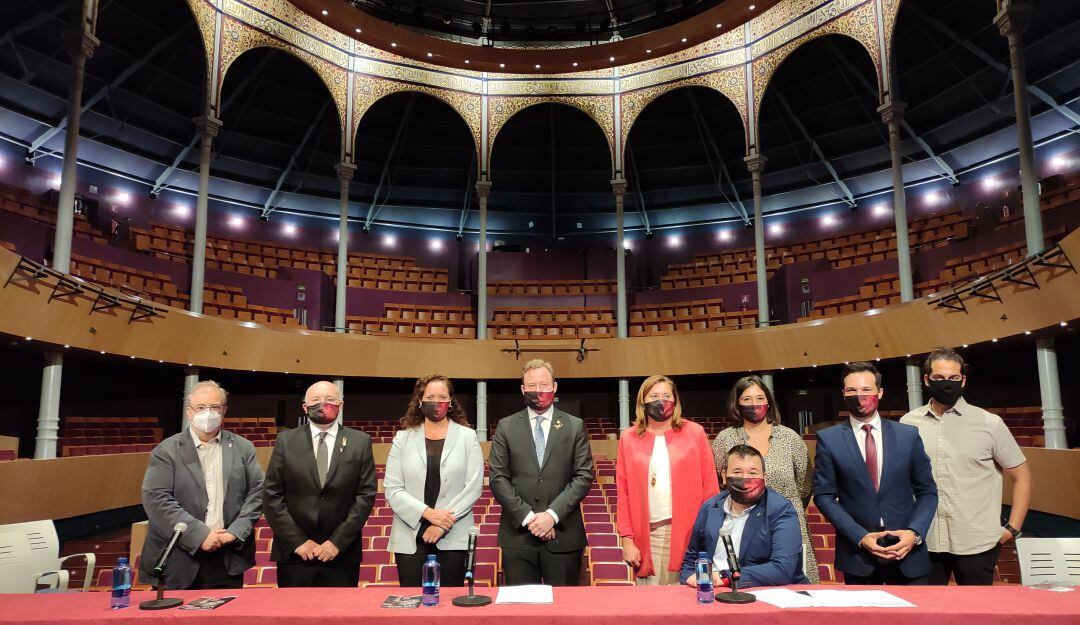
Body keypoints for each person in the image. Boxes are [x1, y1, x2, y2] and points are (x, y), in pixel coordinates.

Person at [900, 347, 1031, 585]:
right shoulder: (908, 423)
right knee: (926, 616)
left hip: (977, 541)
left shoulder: (990, 424)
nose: (946, 383)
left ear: (963, 380)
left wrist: (1012, 528)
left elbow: (1021, 476)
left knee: (978, 616)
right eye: (939, 378)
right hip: (925, 540)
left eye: (953, 378)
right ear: (927, 380)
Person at [813, 362, 938, 585]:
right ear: (843, 393)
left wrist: (914, 533)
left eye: (866, 389)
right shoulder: (829, 439)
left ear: (879, 392)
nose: (858, 395)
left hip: (908, 554)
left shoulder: (907, 435)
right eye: (851, 390)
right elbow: (824, 495)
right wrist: (859, 536)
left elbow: (927, 491)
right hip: (858, 557)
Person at [140, 381, 264, 589]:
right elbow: (156, 498)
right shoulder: (167, 450)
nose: (208, 413)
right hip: (178, 558)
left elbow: (257, 492)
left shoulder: (243, 447)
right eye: (201, 408)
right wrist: (200, 535)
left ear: (224, 411)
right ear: (189, 412)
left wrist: (234, 533)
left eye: (215, 407)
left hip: (227, 558)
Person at [489, 359, 594, 586]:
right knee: (522, 614)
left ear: (555, 387)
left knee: (565, 612)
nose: (538, 391)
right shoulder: (506, 426)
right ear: (522, 390)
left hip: (564, 535)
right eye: (532, 385)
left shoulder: (574, 425)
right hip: (518, 537)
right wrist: (530, 519)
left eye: (544, 385)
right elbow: (498, 478)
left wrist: (551, 516)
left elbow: (583, 476)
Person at [263, 380, 377, 587]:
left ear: (341, 405)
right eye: (315, 400)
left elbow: (365, 496)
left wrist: (337, 543)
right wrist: (298, 542)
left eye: (330, 399)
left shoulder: (360, 441)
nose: (323, 403)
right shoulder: (285, 441)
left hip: (341, 554)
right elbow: (272, 495)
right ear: (304, 406)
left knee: (339, 617)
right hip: (295, 553)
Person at [713, 375, 819, 583]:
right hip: (740, 525)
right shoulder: (724, 439)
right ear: (737, 403)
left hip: (786, 525)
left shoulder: (790, 438)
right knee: (744, 586)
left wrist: (783, 507)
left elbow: (805, 485)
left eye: (760, 398)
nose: (755, 404)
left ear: (769, 402)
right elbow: (720, 482)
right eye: (747, 399)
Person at [616, 375, 719, 585]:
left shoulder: (695, 433)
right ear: (643, 401)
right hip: (648, 536)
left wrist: (709, 532)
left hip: (690, 534)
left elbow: (710, 487)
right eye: (654, 395)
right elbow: (624, 492)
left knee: (690, 603)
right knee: (652, 610)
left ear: (675, 401)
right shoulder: (629, 437)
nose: (660, 401)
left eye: (666, 395)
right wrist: (627, 539)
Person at [384, 375, 484, 587]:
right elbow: (393, 489)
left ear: (450, 403)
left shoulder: (468, 437)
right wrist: (428, 513)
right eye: (430, 397)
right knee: (412, 606)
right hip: (410, 536)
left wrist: (441, 525)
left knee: (449, 608)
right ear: (420, 401)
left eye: (442, 397)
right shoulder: (403, 438)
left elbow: (473, 487)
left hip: (453, 535)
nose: (436, 402)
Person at [679, 445, 809, 588]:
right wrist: (689, 579)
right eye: (737, 472)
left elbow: (783, 569)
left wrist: (725, 577)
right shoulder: (710, 507)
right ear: (724, 476)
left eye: (753, 473)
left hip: (760, 592)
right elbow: (691, 559)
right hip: (710, 591)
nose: (745, 479)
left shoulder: (781, 510)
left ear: (764, 477)